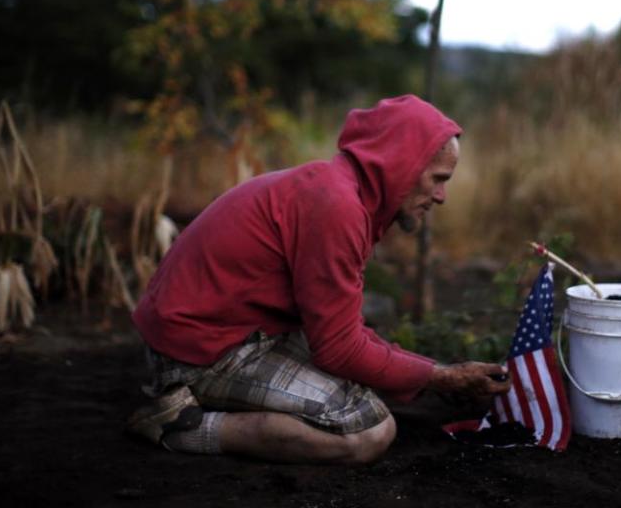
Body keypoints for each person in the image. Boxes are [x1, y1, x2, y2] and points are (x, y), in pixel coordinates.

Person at [126, 95, 511, 464]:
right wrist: (441, 378)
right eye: (438, 178)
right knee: (368, 432)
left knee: (369, 383)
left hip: (230, 331)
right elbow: (339, 349)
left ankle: (198, 404)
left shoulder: (338, 191)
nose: (441, 196)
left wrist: (434, 375)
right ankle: (185, 426)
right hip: (197, 351)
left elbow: (345, 335)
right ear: (402, 164)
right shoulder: (337, 208)